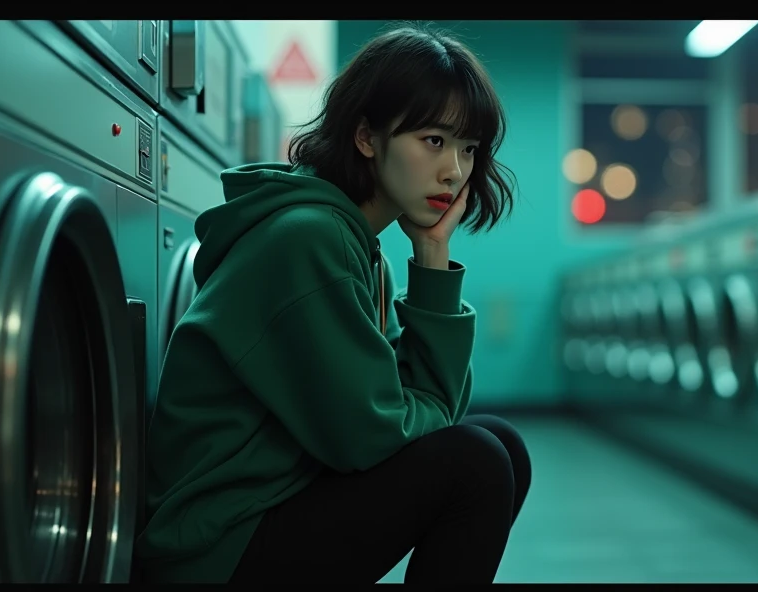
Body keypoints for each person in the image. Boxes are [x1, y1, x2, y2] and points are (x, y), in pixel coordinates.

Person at [133, 22, 531, 584]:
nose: (456, 171)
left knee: (500, 445)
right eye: (434, 141)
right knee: (479, 462)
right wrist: (415, 409)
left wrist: (433, 256)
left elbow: (412, 408)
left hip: (278, 498)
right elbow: (373, 434)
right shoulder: (308, 240)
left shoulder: (356, 246)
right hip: (215, 547)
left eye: (468, 149)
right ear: (367, 136)